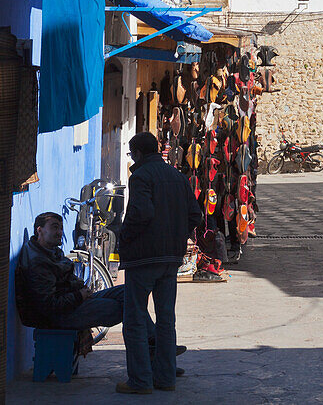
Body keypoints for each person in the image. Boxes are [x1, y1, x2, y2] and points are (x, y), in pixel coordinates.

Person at [117, 131, 202, 395]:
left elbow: (141, 212)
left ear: (139, 153)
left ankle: (140, 381)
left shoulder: (141, 176)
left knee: (134, 320)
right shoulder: (177, 176)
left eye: (132, 154)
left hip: (143, 258)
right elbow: (195, 215)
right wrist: (176, 235)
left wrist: (125, 237)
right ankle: (165, 378)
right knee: (166, 319)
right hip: (170, 257)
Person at [15, 211, 137, 337]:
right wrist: (79, 295)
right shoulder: (38, 262)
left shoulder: (51, 251)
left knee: (129, 292)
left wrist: (82, 291)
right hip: (56, 317)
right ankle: (149, 342)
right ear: (39, 230)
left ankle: (149, 340)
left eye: (61, 228)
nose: (60, 233)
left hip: (71, 303)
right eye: (54, 227)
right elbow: (49, 306)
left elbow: (68, 280)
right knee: (118, 308)